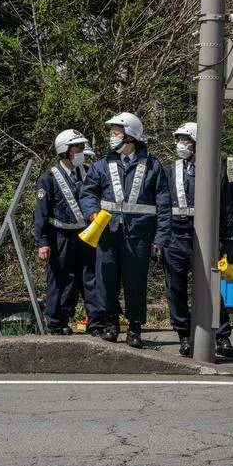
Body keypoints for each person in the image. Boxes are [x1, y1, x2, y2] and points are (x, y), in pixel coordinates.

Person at [79, 112, 171, 348]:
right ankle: (111, 324)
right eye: (111, 132)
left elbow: (164, 203)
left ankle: (135, 329)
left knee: (135, 283)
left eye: (116, 132)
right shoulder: (101, 164)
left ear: (130, 136)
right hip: (107, 233)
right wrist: (91, 212)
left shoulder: (152, 166)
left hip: (139, 235)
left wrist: (160, 237)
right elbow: (87, 192)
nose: (112, 136)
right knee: (106, 280)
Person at [160, 122, 233, 358]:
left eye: (184, 140)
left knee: (210, 287)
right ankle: (184, 336)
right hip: (175, 236)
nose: (179, 144)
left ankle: (221, 336)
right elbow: (161, 206)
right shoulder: (169, 170)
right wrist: (160, 237)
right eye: (178, 140)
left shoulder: (215, 171)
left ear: (197, 144)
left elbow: (225, 208)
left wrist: (224, 240)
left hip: (205, 237)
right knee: (175, 288)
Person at [34, 129, 95, 335]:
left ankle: (92, 321)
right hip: (59, 235)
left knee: (86, 278)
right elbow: (41, 213)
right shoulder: (49, 177)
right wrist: (42, 242)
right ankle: (55, 322)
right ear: (65, 150)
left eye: (82, 147)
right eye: (77, 147)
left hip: (85, 234)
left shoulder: (87, 172)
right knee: (59, 279)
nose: (81, 151)